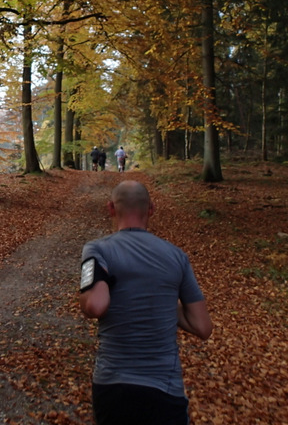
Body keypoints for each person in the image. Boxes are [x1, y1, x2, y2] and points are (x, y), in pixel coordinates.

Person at [79, 181, 212, 425]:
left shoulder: (98, 250)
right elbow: (203, 327)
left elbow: (96, 306)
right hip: (164, 388)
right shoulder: (177, 257)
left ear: (110, 208)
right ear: (151, 209)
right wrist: (162, 298)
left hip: (113, 386)